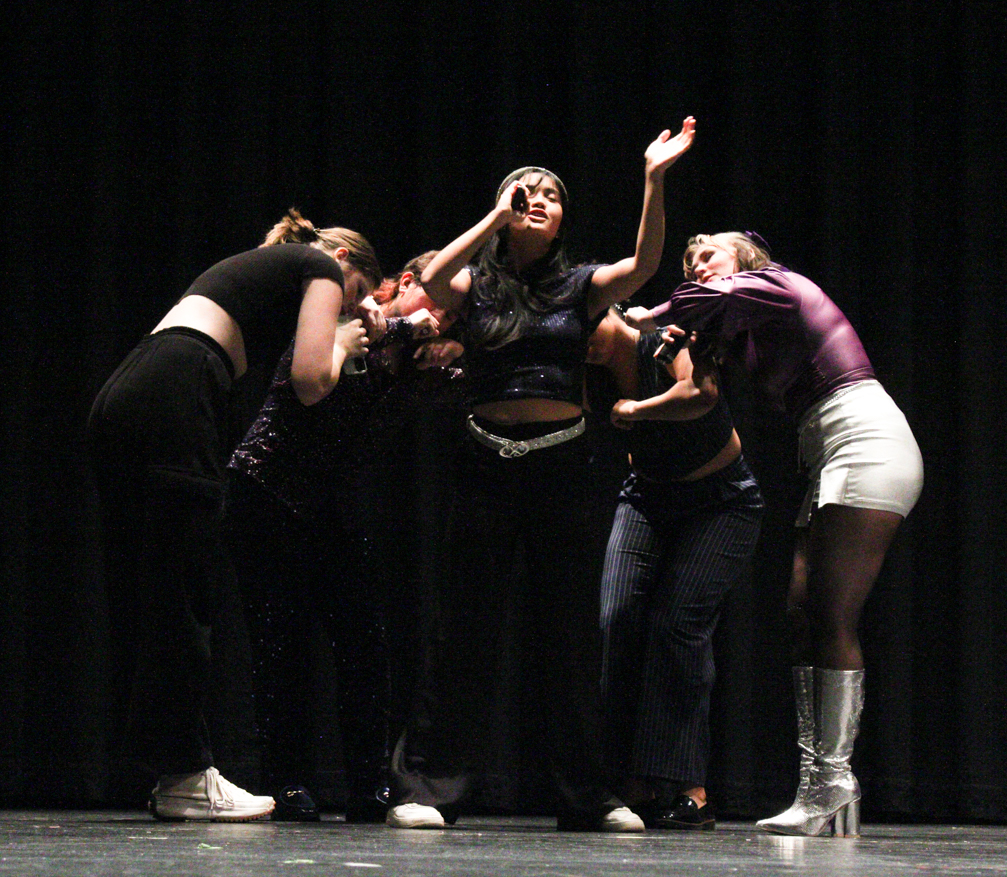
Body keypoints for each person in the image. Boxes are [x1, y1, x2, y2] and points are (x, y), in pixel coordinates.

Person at [387, 118, 697, 832]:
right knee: (462, 630)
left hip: (562, 464)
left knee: (568, 636)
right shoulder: (477, 285)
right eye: (523, 192)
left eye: (550, 195)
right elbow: (432, 278)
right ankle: (431, 786)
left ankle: (586, 794)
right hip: (484, 461)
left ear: (562, 222)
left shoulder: (582, 285)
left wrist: (652, 178)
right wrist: (492, 218)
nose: (537, 198)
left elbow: (646, 265)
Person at [86, 208, 383, 821]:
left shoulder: (273, 271)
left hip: (133, 388)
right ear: (348, 265)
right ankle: (187, 776)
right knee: (181, 591)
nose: (350, 312)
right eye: (353, 299)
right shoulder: (321, 266)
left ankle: (167, 770)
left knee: (148, 590)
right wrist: (344, 343)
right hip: (179, 388)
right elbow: (309, 380)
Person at [624, 232, 923, 837]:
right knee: (802, 610)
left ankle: (831, 784)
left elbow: (689, 302)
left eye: (709, 256)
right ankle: (821, 784)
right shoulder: (746, 319)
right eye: (690, 262)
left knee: (831, 613)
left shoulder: (777, 284)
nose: (697, 267)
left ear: (746, 258)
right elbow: (697, 376)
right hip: (829, 449)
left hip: (864, 438)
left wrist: (646, 313)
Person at [225, 251, 463, 822]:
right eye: (441, 308)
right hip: (267, 491)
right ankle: (284, 781)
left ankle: (370, 784)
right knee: (280, 643)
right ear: (406, 284)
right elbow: (355, 347)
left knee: (365, 646)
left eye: (456, 317)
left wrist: (452, 354)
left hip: (332, 508)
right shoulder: (349, 313)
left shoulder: (420, 358)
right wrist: (412, 331)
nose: (444, 322)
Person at [585, 305, 764, 831]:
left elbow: (700, 395)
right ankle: (627, 781)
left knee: (677, 627)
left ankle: (690, 789)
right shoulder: (588, 368)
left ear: (613, 312)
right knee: (616, 620)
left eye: (587, 324)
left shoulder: (660, 341)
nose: (583, 340)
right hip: (646, 499)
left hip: (721, 501)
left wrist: (637, 410)